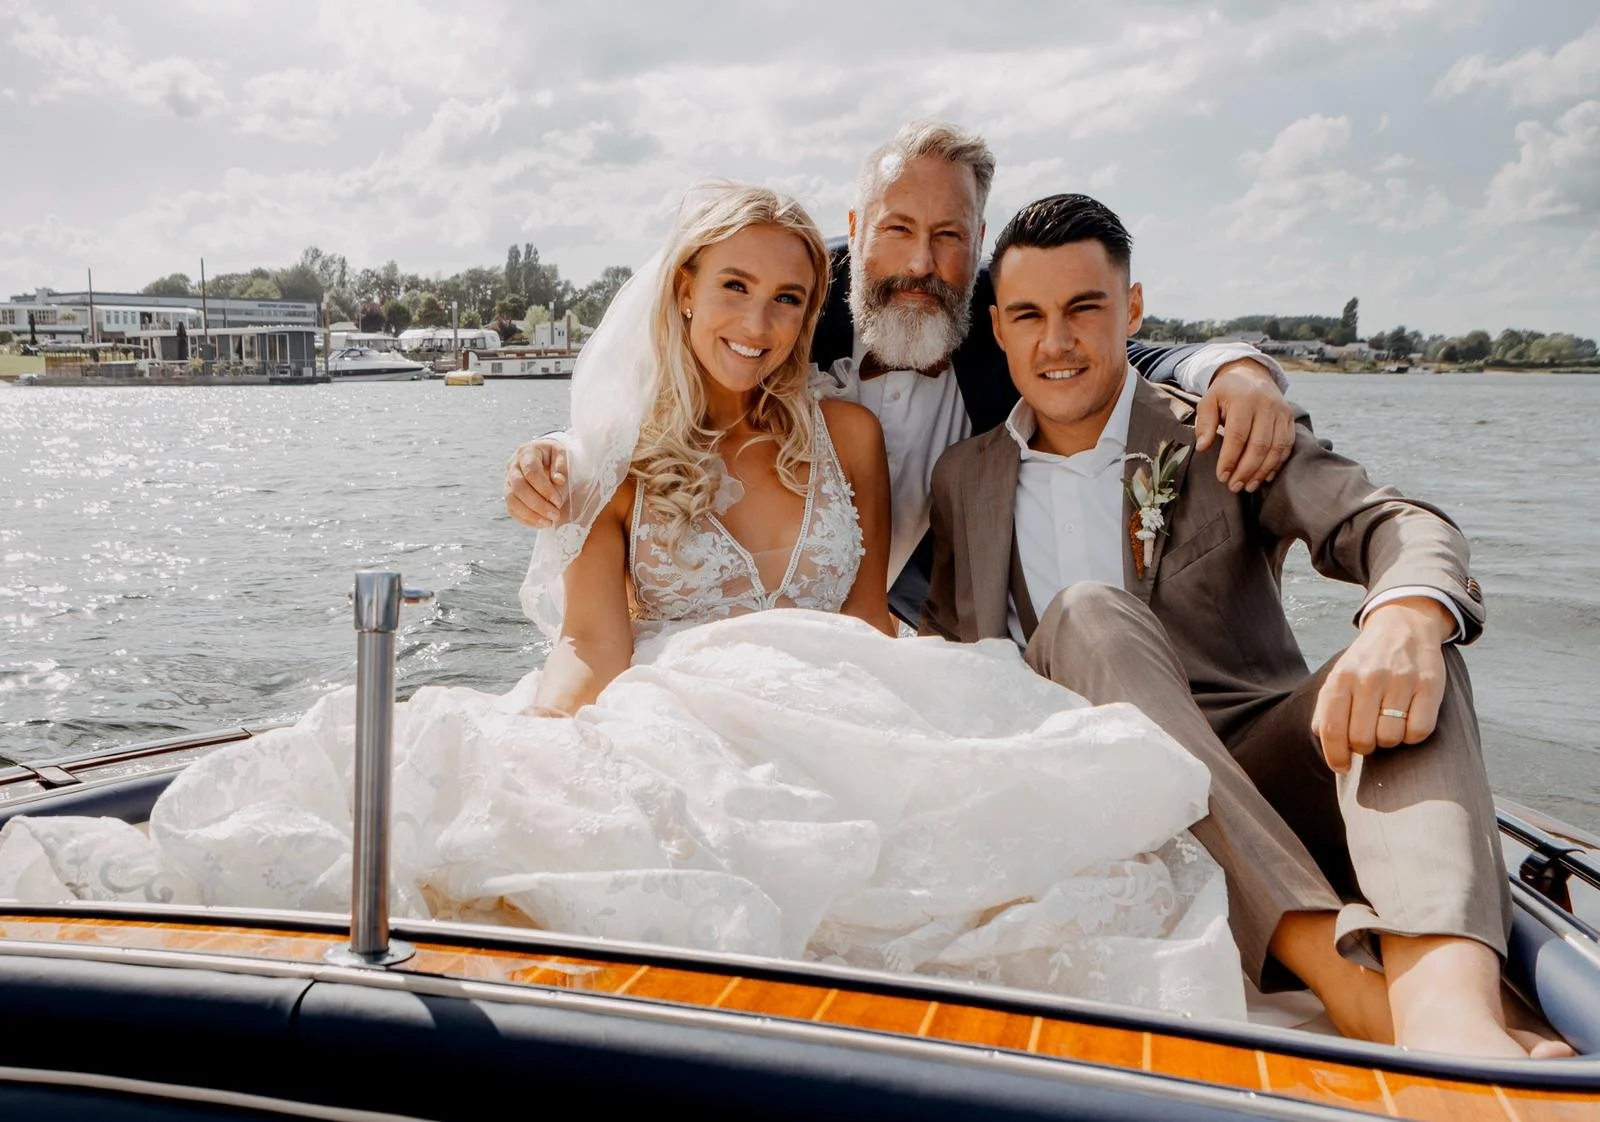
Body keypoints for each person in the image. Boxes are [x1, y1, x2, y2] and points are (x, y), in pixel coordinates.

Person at [0, 184, 1247, 1022]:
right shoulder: (603, 465)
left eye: (791, 299)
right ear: (683, 294)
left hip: (846, 699)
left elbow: (867, 617)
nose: (760, 324)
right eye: (736, 291)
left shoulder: (852, 437)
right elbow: (594, 651)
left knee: (1072, 820)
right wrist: (526, 755)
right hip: (679, 709)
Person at [921, 192, 1573, 1059]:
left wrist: (1407, 618)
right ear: (998, 329)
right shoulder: (962, 480)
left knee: (1416, 655)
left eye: (1085, 309)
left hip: (1262, 768)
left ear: (1135, 310)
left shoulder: (1223, 434)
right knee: (1085, 614)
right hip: (1096, 810)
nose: (1057, 343)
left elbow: (1396, 523)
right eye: (1030, 316)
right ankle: (1343, 982)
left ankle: (1448, 1008)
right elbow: (945, 662)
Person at [506, 120, 1299, 623]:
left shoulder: (1001, 319)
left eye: (950, 236)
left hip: (925, 606)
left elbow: (1115, 350)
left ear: (980, 241)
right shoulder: (792, 300)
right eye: (898, 229)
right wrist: (562, 453)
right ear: (857, 229)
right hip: (736, 622)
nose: (922, 263)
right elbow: (679, 366)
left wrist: (1235, 367)